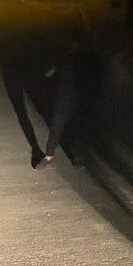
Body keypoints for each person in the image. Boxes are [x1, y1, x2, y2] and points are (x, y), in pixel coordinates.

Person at [38, 32, 96, 169]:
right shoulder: (65, 59)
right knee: (59, 127)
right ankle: (50, 156)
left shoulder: (83, 60)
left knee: (74, 128)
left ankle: (75, 158)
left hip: (75, 99)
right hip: (65, 98)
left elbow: (49, 74)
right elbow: (49, 74)